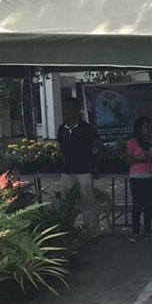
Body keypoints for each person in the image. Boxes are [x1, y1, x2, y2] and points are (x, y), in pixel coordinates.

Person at [57, 97, 101, 232]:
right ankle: (68, 229)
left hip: (84, 170)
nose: (66, 112)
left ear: (77, 110)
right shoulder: (61, 129)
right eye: (64, 109)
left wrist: (95, 167)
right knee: (66, 202)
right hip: (67, 170)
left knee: (88, 201)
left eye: (69, 109)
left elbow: (96, 149)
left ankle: (91, 230)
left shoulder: (87, 129)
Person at [125, 116, 152, 243]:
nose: (149, 130)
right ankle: (135, 231)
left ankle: (148, 230)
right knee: (137, 204)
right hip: (136, 177)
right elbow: (127, 160)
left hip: (149, 176)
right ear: (139, 129)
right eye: (146, 127)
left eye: (150, 127)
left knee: (148, 205)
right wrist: (138, 158)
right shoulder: (132, 142)